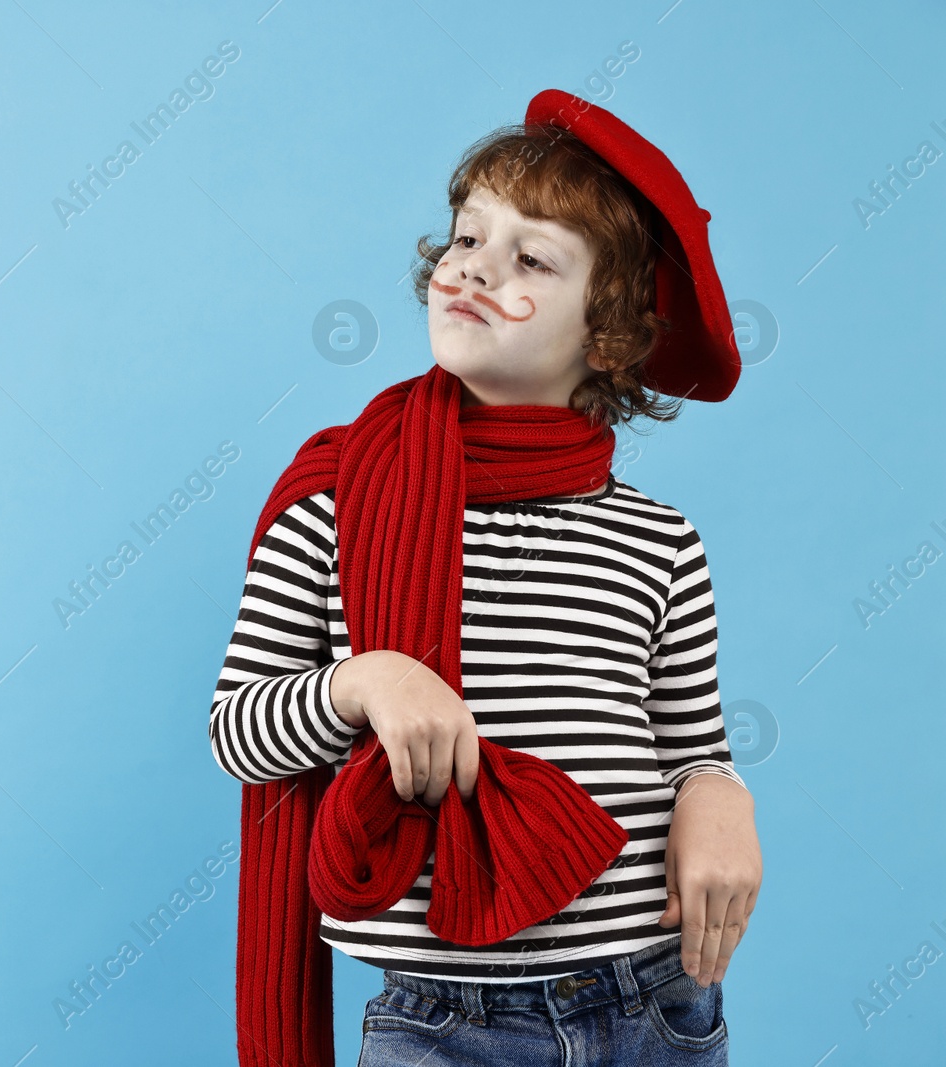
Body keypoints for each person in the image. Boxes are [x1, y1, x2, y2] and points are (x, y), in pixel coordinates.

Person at [207, 89, 763, 1066]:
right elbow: (238, 732)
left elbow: (687, 745)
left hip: (657, 1000)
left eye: (530, 259)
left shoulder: (657, 538)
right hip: (448, 1023)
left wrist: (720, 790)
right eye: (467, 238)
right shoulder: (335, 499)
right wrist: (365, 678)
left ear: (608, 334)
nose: (471, 269)